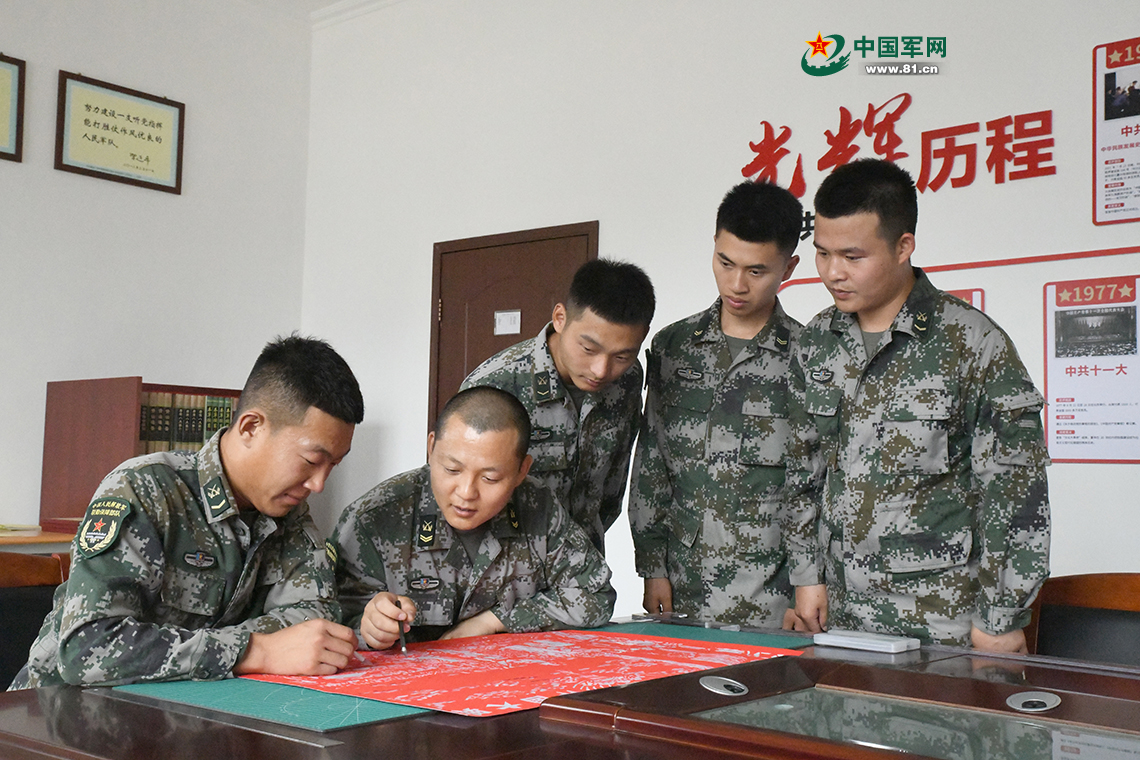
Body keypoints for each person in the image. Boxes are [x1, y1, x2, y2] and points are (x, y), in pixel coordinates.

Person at [784, 158, 1050, 652]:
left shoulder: (971, 342)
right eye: (822, 253)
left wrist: (1000, 617)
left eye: (853, 256)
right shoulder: (817, 342)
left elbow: (1014, 491)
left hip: (942, 620)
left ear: (904, 245)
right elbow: (803, 468)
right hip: (840, 614)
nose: (833, 272)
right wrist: (806, 575)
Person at [10, 335, 365, 689]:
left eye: (333, 464)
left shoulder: (288, 511)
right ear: (251, 428)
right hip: (59, 710)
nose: (319, 484)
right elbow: (88, 649)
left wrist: (246, 648)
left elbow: (315, 619)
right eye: (312, 460)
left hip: (184, 708)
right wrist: (255, 650)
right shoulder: (144, 490)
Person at [629, 181, 803, 628]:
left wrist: (810, 582)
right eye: (725, 263)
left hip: (775, 584)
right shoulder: (674, 346)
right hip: (685, 578)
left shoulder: (809, 356)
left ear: (789, 267)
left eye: (756, 271)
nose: (736, 284)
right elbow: (652, 462)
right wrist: (652, 566)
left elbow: (816, 483)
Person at [332, 386, 615, 647]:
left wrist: (494, 621)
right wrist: (369, 629)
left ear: (522, 471)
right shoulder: (374, 520)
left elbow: (595, 595)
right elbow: (330, 623)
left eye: (490, 478)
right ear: (431, 448)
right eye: (452, 470)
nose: (466, 492)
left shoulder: (537, 507)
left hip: (509, 678)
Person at [460, 259, 655, 552]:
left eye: (622, 356)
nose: (601, 370)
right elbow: (460, 495)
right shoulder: (495, 385)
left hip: (585, 562)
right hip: (507, 564)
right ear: (560, 318)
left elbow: (612, 485)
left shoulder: (627, 380)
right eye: (588, 349)